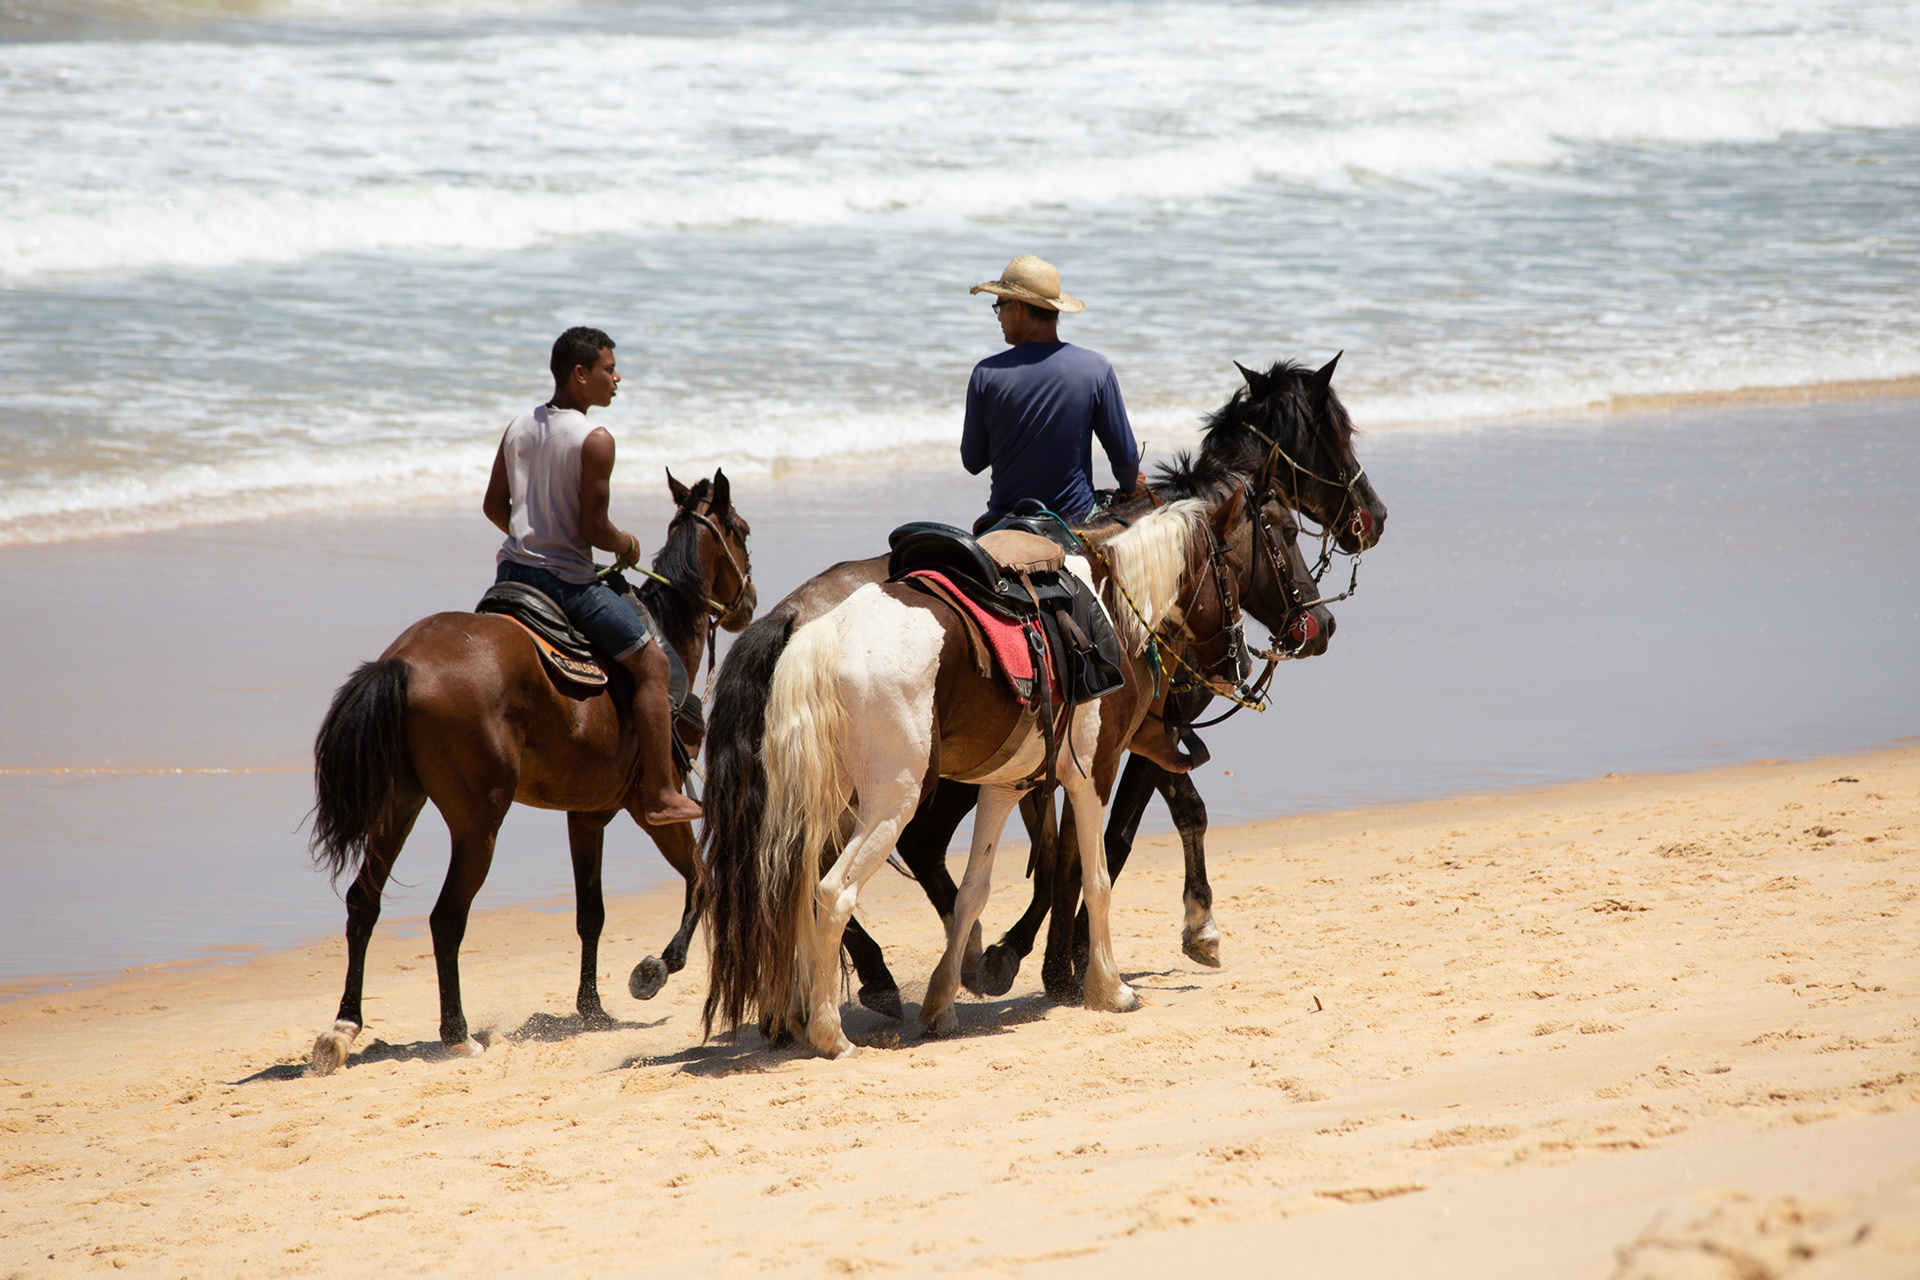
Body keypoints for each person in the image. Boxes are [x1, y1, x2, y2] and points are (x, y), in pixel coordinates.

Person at [482, 327, 703, 826]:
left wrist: (531, 535)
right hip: (566, 584)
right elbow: (592, 528)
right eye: (608, 368)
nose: (616, 377)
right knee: (653, 667)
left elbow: (495, 505)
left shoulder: (517, 425)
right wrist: (625, 543)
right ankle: (662, 793)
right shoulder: (595, 439)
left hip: (511, 572)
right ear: (580, 375)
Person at [962, 255, 1142, 531]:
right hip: (1073, 522)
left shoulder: (986, 374)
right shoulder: (1095, 368)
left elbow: (973, 461)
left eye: (1000, 306)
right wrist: (1130, 487)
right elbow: (1126, 459)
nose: (999, 317)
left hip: (1005, 522)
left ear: (1019, 307)